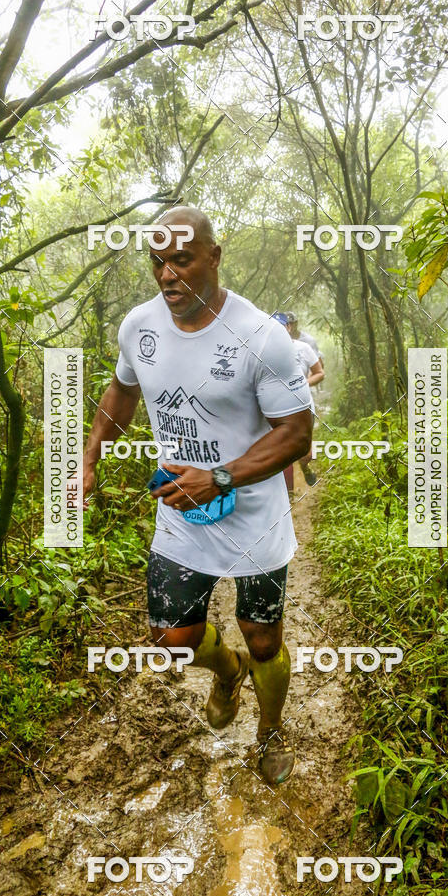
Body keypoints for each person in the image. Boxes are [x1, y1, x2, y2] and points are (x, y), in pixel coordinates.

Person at [83, 207, 313, 785]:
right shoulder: (139, 327)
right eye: (157, 262)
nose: (167, 275)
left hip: (255, 516)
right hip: (181, 514)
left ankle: (271, 730)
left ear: (214, 255)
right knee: (170, 638)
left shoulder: (262, 338)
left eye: (181, 259)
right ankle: (225, 668)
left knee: (264, 639)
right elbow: (122, 390)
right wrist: (88, 458)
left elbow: (297, 433)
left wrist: (221, 476)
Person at [273, 313, 324, 487]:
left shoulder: (304, 348)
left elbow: (319, 373)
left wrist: (302, 384)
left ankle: (305, 467)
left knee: (305, 452)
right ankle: (288, 493)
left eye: (282, 326)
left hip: (303, 404)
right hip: (276, 406)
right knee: (282, 450)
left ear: (289, 327)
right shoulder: (264, 350)